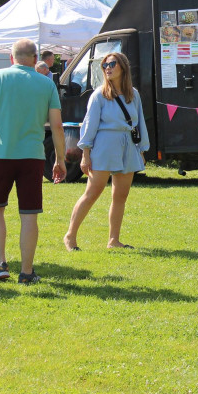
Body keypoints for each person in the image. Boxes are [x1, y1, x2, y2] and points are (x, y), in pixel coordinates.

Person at [0, 39, 66, 284]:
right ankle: (26, 271)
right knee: (29, 215)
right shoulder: (46, 84)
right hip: (32, 156)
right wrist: (60, 159)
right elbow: (56, 125)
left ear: (11, 58)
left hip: (1, 154)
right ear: (36, 60)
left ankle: (0, 263)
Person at [63, 52, 149, 251]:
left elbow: (140, 123)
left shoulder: (133, 94)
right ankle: (70, 236)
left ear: (123, 67)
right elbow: (89, 125)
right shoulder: (99, 94)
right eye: (104, 65)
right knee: (92, 192)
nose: (108, 68)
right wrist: (85, 154)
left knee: (121, 195)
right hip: (104, 145)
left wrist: (141, 148)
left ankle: (114, 241)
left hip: (127, 145)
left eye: (112, 64)